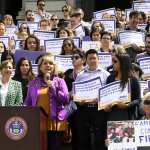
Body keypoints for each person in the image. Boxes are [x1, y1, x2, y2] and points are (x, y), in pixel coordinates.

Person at [24, 54, 69, 150]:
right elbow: (28, 102)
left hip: (55, 122)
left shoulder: (60, 81)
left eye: (51, 63)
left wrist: (53, 87)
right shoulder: (33, 82)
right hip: (38, 122)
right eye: (45, 63)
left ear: (54, 67)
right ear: (40, 67)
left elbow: (65, 99)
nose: (48, 65)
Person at [74, 49, 109, 150]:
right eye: (90, 58)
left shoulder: (105, 74)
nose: (92, 60)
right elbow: (75, 92)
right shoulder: (80, 75)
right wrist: (78, 101)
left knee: (99, 138)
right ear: (86, 60)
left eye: (94, 58)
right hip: (84, 110)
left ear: (98, 59)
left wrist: (100, 100)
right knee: (84, 138)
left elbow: (108, 93)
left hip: (99, 110)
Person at [105, 52, 141, 121]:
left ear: (123, 63)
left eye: (115, 61)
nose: (112, 64)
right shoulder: (110, 78)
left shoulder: (133, 79)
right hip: (112, 116)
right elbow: (106, 98)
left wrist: (127, 105)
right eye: (112, 61)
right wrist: (106, 107)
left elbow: (138, 99)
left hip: (128, 115)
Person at [64, 49, 85, 150]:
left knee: (84, 136)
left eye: (76, 57)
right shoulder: (68, 73)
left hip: (85, 108)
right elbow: (64, 91)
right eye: (72, 58)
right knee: (75, 135)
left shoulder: (87, 72)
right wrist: (69, 95)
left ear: (83, 60)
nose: (73, 59)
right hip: (72, 109)